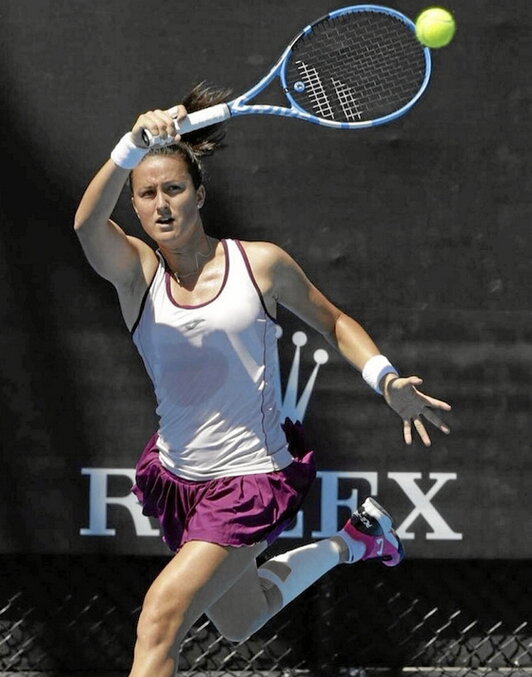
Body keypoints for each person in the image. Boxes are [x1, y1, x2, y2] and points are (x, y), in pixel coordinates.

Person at [74, 83, 451, 677]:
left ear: (200, 194)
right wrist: (129, 145)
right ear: (137, 207)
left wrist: (386, 380)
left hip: (251, 479)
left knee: (158, 621)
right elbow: (86, 224)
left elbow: (333, 322)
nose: (161, 204)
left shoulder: (260, 265)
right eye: (146, 195)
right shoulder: (136, 276)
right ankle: (355, 541)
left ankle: (351, 540)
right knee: (240, 619)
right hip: (179, 477)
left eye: (173, 188)